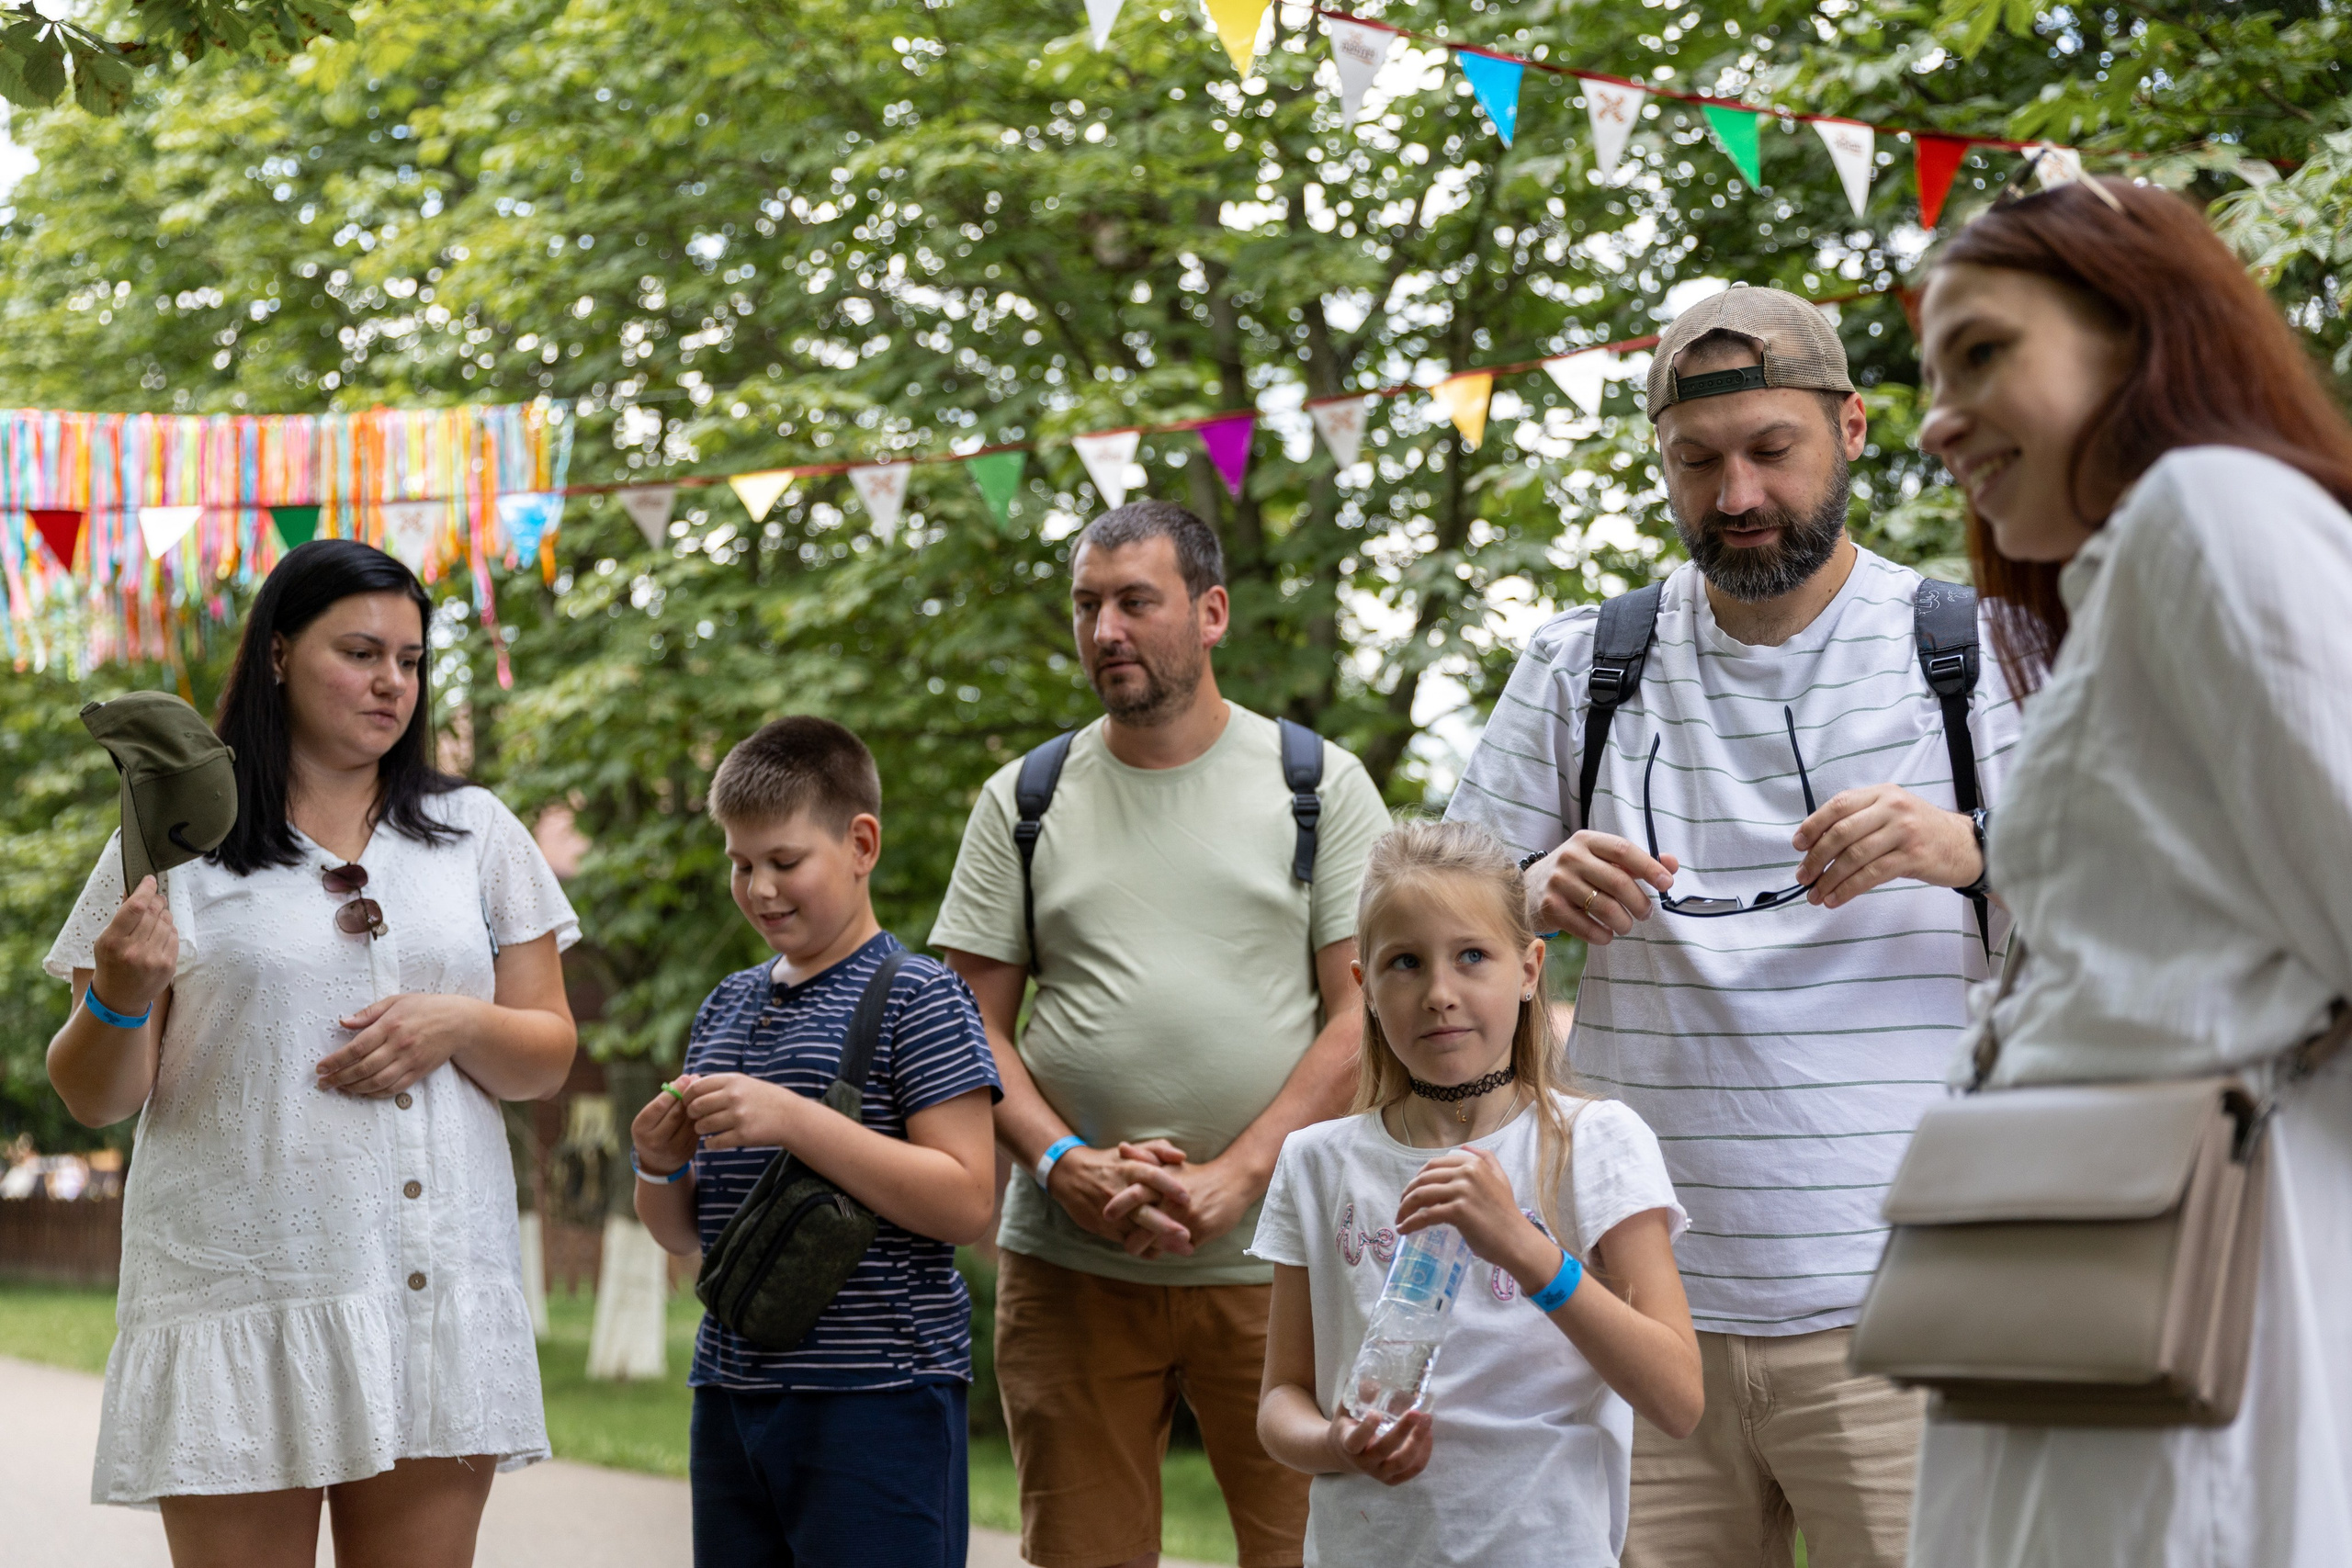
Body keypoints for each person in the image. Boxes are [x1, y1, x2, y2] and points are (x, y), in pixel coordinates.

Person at [1446, 284, 2026, 1567]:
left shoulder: (1974, 651)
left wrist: (1970, 849)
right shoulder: (1580, 663)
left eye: (1773, 449)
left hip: (1911, 1305)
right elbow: (1430, 912)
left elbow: (2130, 909)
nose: (1739, 494)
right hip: (1637, 1310)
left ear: (1857, 428)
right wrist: (1526, 896)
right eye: (1697, 462)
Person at [1905, 176, 2352, 1568]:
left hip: (2203, 1293)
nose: (1937, 417)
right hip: (2078, 1281)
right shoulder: (2125, 579)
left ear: (2140, 333)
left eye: (1982, 351)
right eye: (1931, 376)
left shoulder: (2207, 513)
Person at [43, 539, 581, 1567]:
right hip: (240, 1294)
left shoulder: (479, 833)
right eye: (363, 652)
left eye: (413, 661)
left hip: (430, 1294)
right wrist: (119, 995)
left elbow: (545, 1055)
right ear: (280, 653)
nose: (394, 684)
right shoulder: (171, 842)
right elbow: (95, 1098)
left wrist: (458, 1023)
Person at [931, 500, 1390, 1568]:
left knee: (1313, 1553)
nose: (1106, 633)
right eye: (1087, 607)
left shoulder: (1316, 785)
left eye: (1136, 602)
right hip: (1069, 1265)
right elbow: (970, 1027)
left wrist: (1237, 1175)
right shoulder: (1023, 799)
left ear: (1211, 610)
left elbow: (1362, 1015)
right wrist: (1062, 1164)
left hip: (1280, 1262)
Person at [1250, 818, 1702, 1566]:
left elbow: (1678, 1398)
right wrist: (1338, 1441)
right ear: (1362, 987)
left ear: (1528, 970)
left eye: (1471, 956)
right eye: (1404, 962)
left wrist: (1532, 1255)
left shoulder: (1597, 1142)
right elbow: (1279, 1402)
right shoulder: (1315, 1161)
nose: (1439, 993)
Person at [628, 716, 1001, 1568]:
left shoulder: (922, 997)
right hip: (729, 1392)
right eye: (740, 863)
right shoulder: (724, 1006)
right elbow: (686, 1231)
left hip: (880, 1400)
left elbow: (965, 1198)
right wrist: (658, 1162)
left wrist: (796, 1119)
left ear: (861, 842)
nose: (759, 887)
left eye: (784, 861)